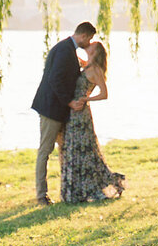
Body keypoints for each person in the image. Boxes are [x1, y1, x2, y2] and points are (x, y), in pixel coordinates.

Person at [31, 22, 96, 205]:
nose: (89, 42)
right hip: (51, 108)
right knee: (45, 150)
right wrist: (69, 101)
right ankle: (41, 195)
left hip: (57, 108)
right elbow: (55, 79)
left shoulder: (67, 49)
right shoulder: (65, 51)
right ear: (83, 35)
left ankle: (66, 190)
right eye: (89, 39)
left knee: (60, 150)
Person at [60, 40, 125, 204]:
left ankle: (103, 183)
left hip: (81, 113)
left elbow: (104, 93)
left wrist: (86, 98)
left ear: (96, 53)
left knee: (83, 149)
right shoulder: (87, 65)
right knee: (76, 149)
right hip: (74, 111)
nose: (88, 48)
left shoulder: (95, 69)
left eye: (91, 47)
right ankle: (78, 190)